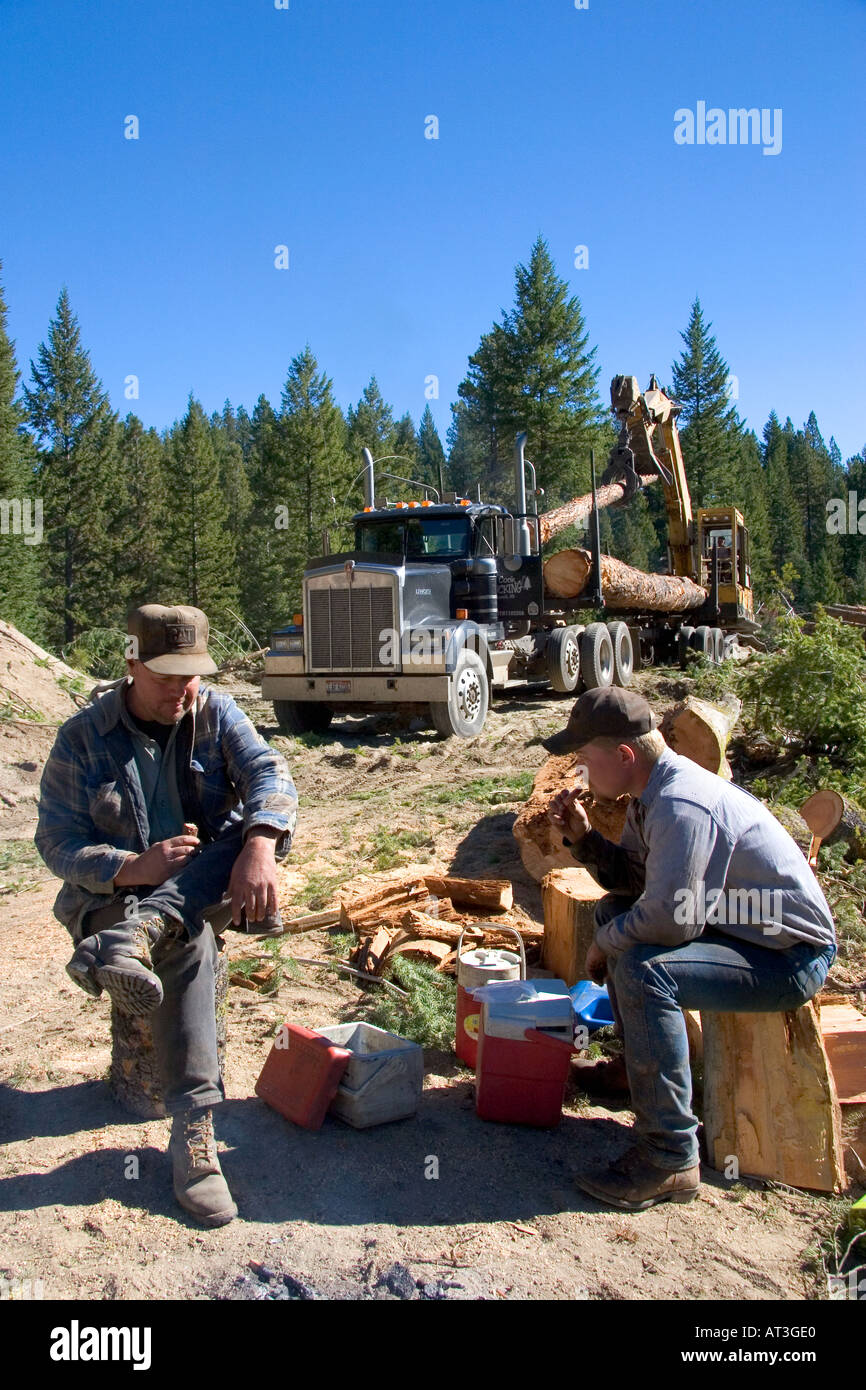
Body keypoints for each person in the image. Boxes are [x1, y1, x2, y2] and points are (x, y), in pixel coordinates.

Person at [36, 604, 299, 1227]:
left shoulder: (213, 711)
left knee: (246, 832)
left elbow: (268, 771)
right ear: (131, 665)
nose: (183, 690)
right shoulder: (84, 736)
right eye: (167, 677)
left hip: (197, 886)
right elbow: (55, 842)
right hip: (110, 902)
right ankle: (195, 1137)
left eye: (192, 675)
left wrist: (261, 846)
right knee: (189, 942)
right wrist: (132, 867)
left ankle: (145, 932)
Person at [543, 687, 837, 1212]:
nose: (582, 774)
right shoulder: (652, 792)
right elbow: (635, 886)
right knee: (614, 916)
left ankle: (670, 1156)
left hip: (790, 957)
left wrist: (602, 947)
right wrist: (584, 839)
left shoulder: (681, 805)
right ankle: (638, 1070)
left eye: (586, 761)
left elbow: (670, 922)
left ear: (625, 755)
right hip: (744, 932)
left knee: (640, 966)